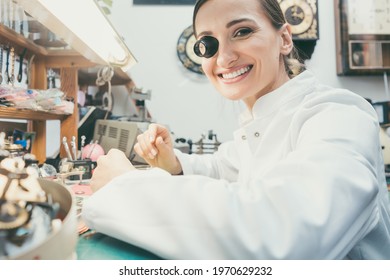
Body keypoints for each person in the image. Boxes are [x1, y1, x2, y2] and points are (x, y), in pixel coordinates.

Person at [82, 0, 390, 259]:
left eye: (242, 32)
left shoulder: (338, 114)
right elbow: (222, 168)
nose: (224, 57)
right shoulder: (257, 124)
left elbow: (285, 235)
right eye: (208, 43)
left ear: (284, 39)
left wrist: (125, 185)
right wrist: (174, 164)